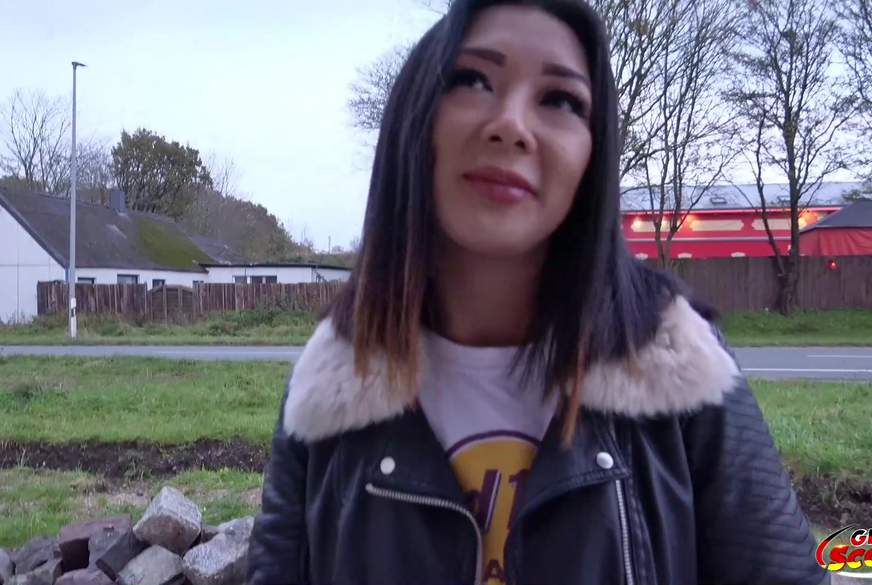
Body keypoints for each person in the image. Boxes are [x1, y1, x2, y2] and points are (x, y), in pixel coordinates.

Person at [247, 0, 828, 583]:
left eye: (561, 100)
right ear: (414, 116)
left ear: (593, 155)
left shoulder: (680, 362)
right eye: (472, 79)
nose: (511, 125)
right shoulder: (330, 385)